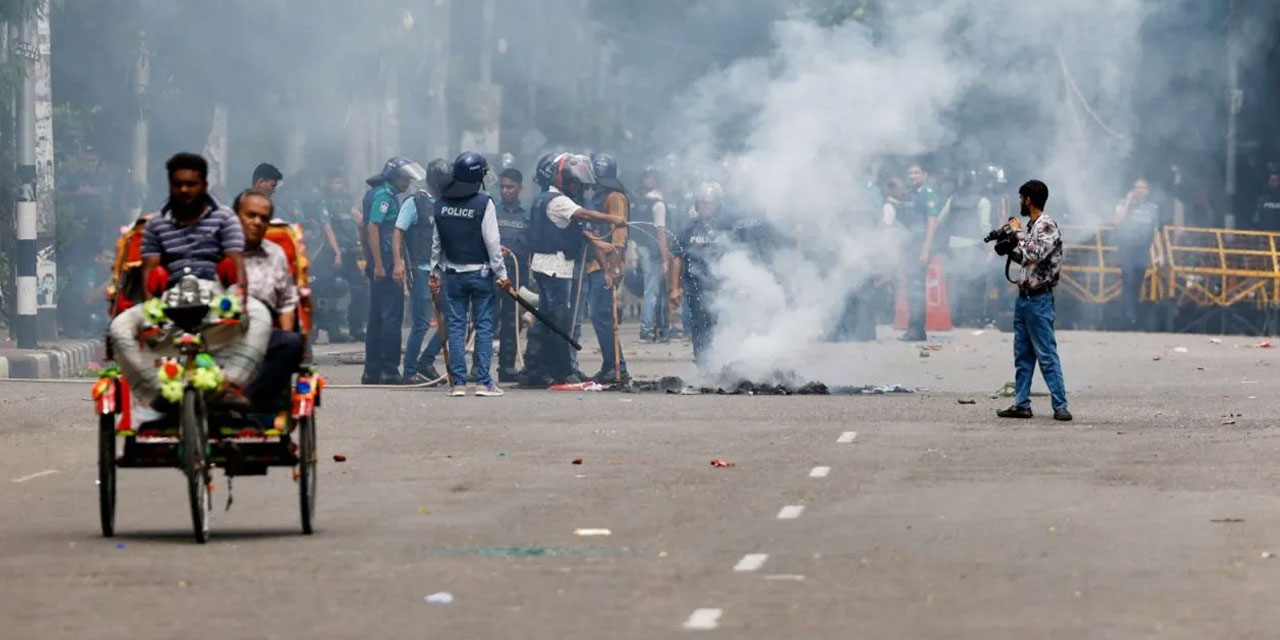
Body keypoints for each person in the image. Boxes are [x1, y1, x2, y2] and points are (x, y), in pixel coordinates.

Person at [107, 152, 272, 410]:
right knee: (119, 327)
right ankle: (156, 395)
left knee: (261, 315)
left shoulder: (225, 218)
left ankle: (230, 385)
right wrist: (152, 311)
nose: (184, 190)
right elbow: (150, 271)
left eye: (191, 184)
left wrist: (237, 297)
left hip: (214, 294)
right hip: (169, 299)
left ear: (203, 185)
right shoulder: (156, 224)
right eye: (178, 184)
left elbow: (236, 265)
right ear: (171, 185)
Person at [522, 154, 626, 386]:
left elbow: (578, 230)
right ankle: (563, 371)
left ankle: (535, 369)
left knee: (544, 320)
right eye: (573, 183)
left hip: (544, 266)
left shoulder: (542, 198)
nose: (576, 188)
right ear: (562, 180)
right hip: (557, 268)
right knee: (560, 322)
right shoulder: (559, 200)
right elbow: (585, 215)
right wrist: (614, 218)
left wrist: (599, 243)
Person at [427, 151, 511, 396]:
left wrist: (434, 272)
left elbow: (436, 243)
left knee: (455, 328)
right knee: (483, 326)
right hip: (481, 275)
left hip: (452, 275)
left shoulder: (441, 204)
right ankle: (483, 382)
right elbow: (493, 244)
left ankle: (458, 383)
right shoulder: (484, 203)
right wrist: (502, 275)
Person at [993, 179, 1071, 422]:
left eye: (1020, 198)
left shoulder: (1046, 225)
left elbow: (1036, 253)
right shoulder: (1033, 226)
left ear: (1028, 199)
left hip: (1039, 301)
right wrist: (1010, 251)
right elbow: (1027, 259)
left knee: (1046, 354)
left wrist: (1016, 233)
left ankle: (1060, 406)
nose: (1019, 203)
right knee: (1023, 355)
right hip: (1025, 299)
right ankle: (1021, 403)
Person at [234, 189, 305, 410]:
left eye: (263, 218)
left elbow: (286, 302)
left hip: (264, 328)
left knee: (292, 344)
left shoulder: (276, 254)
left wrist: (286, 335)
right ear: (235, 216)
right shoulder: (214, 248)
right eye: (250, 215)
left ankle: (246, 402)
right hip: (220, 329)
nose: (256, 222)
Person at [361, 156, 425, 385]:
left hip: (379, 259)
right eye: (403, 177)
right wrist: (378, 263)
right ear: (393, 175)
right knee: (391, 317)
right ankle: (389, 369)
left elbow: (364, 228)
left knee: (377, 317)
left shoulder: (374, 193)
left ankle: (372, 371)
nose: (406, 182)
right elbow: (373, 227)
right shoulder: (383, 196)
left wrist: (369, 258)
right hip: (386, 260)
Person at [392, 158, 449, 384]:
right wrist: (398, 263)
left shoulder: (447, 202)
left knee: (453, 321)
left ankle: (427, 361)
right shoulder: (415, 202)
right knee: (421, 324)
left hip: (443, 271)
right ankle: (410, 371)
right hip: (422, 270)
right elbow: (398, 232)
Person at [580, 153, 630, 382]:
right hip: (594, 263)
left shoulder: (615, 196)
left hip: (606, 265)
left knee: (602, 315)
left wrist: (612, 268)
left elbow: (619, 236)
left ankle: (616, 366)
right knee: (599, 316)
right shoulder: (600, 194)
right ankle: (611, 364)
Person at [670, 182, 728, 366]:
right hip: (695, 288)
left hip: (721, 288)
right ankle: (704, 366)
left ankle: (723, 363)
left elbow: (736, 253)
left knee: (721, 328)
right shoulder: (688, 228)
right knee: (699, 328)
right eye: (702, 203)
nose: (706, 207)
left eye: (710, 203)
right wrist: (674, 288)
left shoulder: (726, 227)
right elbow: (677, 258)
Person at [939, 168, 994, 327]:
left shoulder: (953, 199)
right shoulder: (983, 202)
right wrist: (990, 248)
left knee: (955, 282)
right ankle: (974, 318)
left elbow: (941, 219)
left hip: (954, 245)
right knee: (976, 283)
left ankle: (955, 316)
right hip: (973, 246)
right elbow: (985, 227)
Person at [319, 174, 367, 342]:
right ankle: (334, 331)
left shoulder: (348, 202)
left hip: (352, 252)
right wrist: (336, 251)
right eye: (333, 181)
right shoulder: (324, 203)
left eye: (339, 181)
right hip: (332, 253)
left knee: (359, 289)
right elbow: (327, 229)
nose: (336, 185)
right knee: (334, 289)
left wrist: (362, 242)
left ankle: (356, 328)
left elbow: (359, 221)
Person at [494, 167, 530, 383]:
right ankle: (478, 367)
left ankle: (506, 366)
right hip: (492, 274)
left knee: (512, 320)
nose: (505, 191)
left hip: (517, 274)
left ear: (520, 189)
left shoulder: (527, 215)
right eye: (502, 187)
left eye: (510, 187)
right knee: (485, 320)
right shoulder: (491, 211)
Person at [899, 162, 941, 342]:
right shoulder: (909, 194)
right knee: (910, 289)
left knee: (916, 289)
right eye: (910, 173)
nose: (912, 176)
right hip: (909, 247)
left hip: (920, 247)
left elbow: (932, 223)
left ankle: (916, 331)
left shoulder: (928, 195)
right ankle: (913, 329)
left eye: (916, 173)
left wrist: (925, 249)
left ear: (924, 175)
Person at [1112, 177, 1159, 329]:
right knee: (1128, 282)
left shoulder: (1152, 208)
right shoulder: (1123, 204)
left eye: (1143, 188)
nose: (1140, 191)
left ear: (1147, 191)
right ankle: (1130, 319)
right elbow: (1117, 222)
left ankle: (1130, 316)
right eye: (1137, 188)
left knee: (1137, 285)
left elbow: (1155, 231)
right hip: (1127, 248)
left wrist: (1159, 253)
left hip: (1142, 250)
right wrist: (1128, 202)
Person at [632, 166, 669, 342]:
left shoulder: (641, 202)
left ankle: (658, 328)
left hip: (641, 248)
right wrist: (665, 257)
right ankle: (647, 329)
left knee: (652, 289)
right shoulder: (658, 204)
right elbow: (660, 231)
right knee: (652, 291)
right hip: (653, 250)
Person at [1253, 164, 1280, 231]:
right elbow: (1256, 217)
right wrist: (1254, 228)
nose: (1273, 182)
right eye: (1271, 180)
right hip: (1265, 236)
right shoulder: (1262, 199)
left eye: (1275, 180)